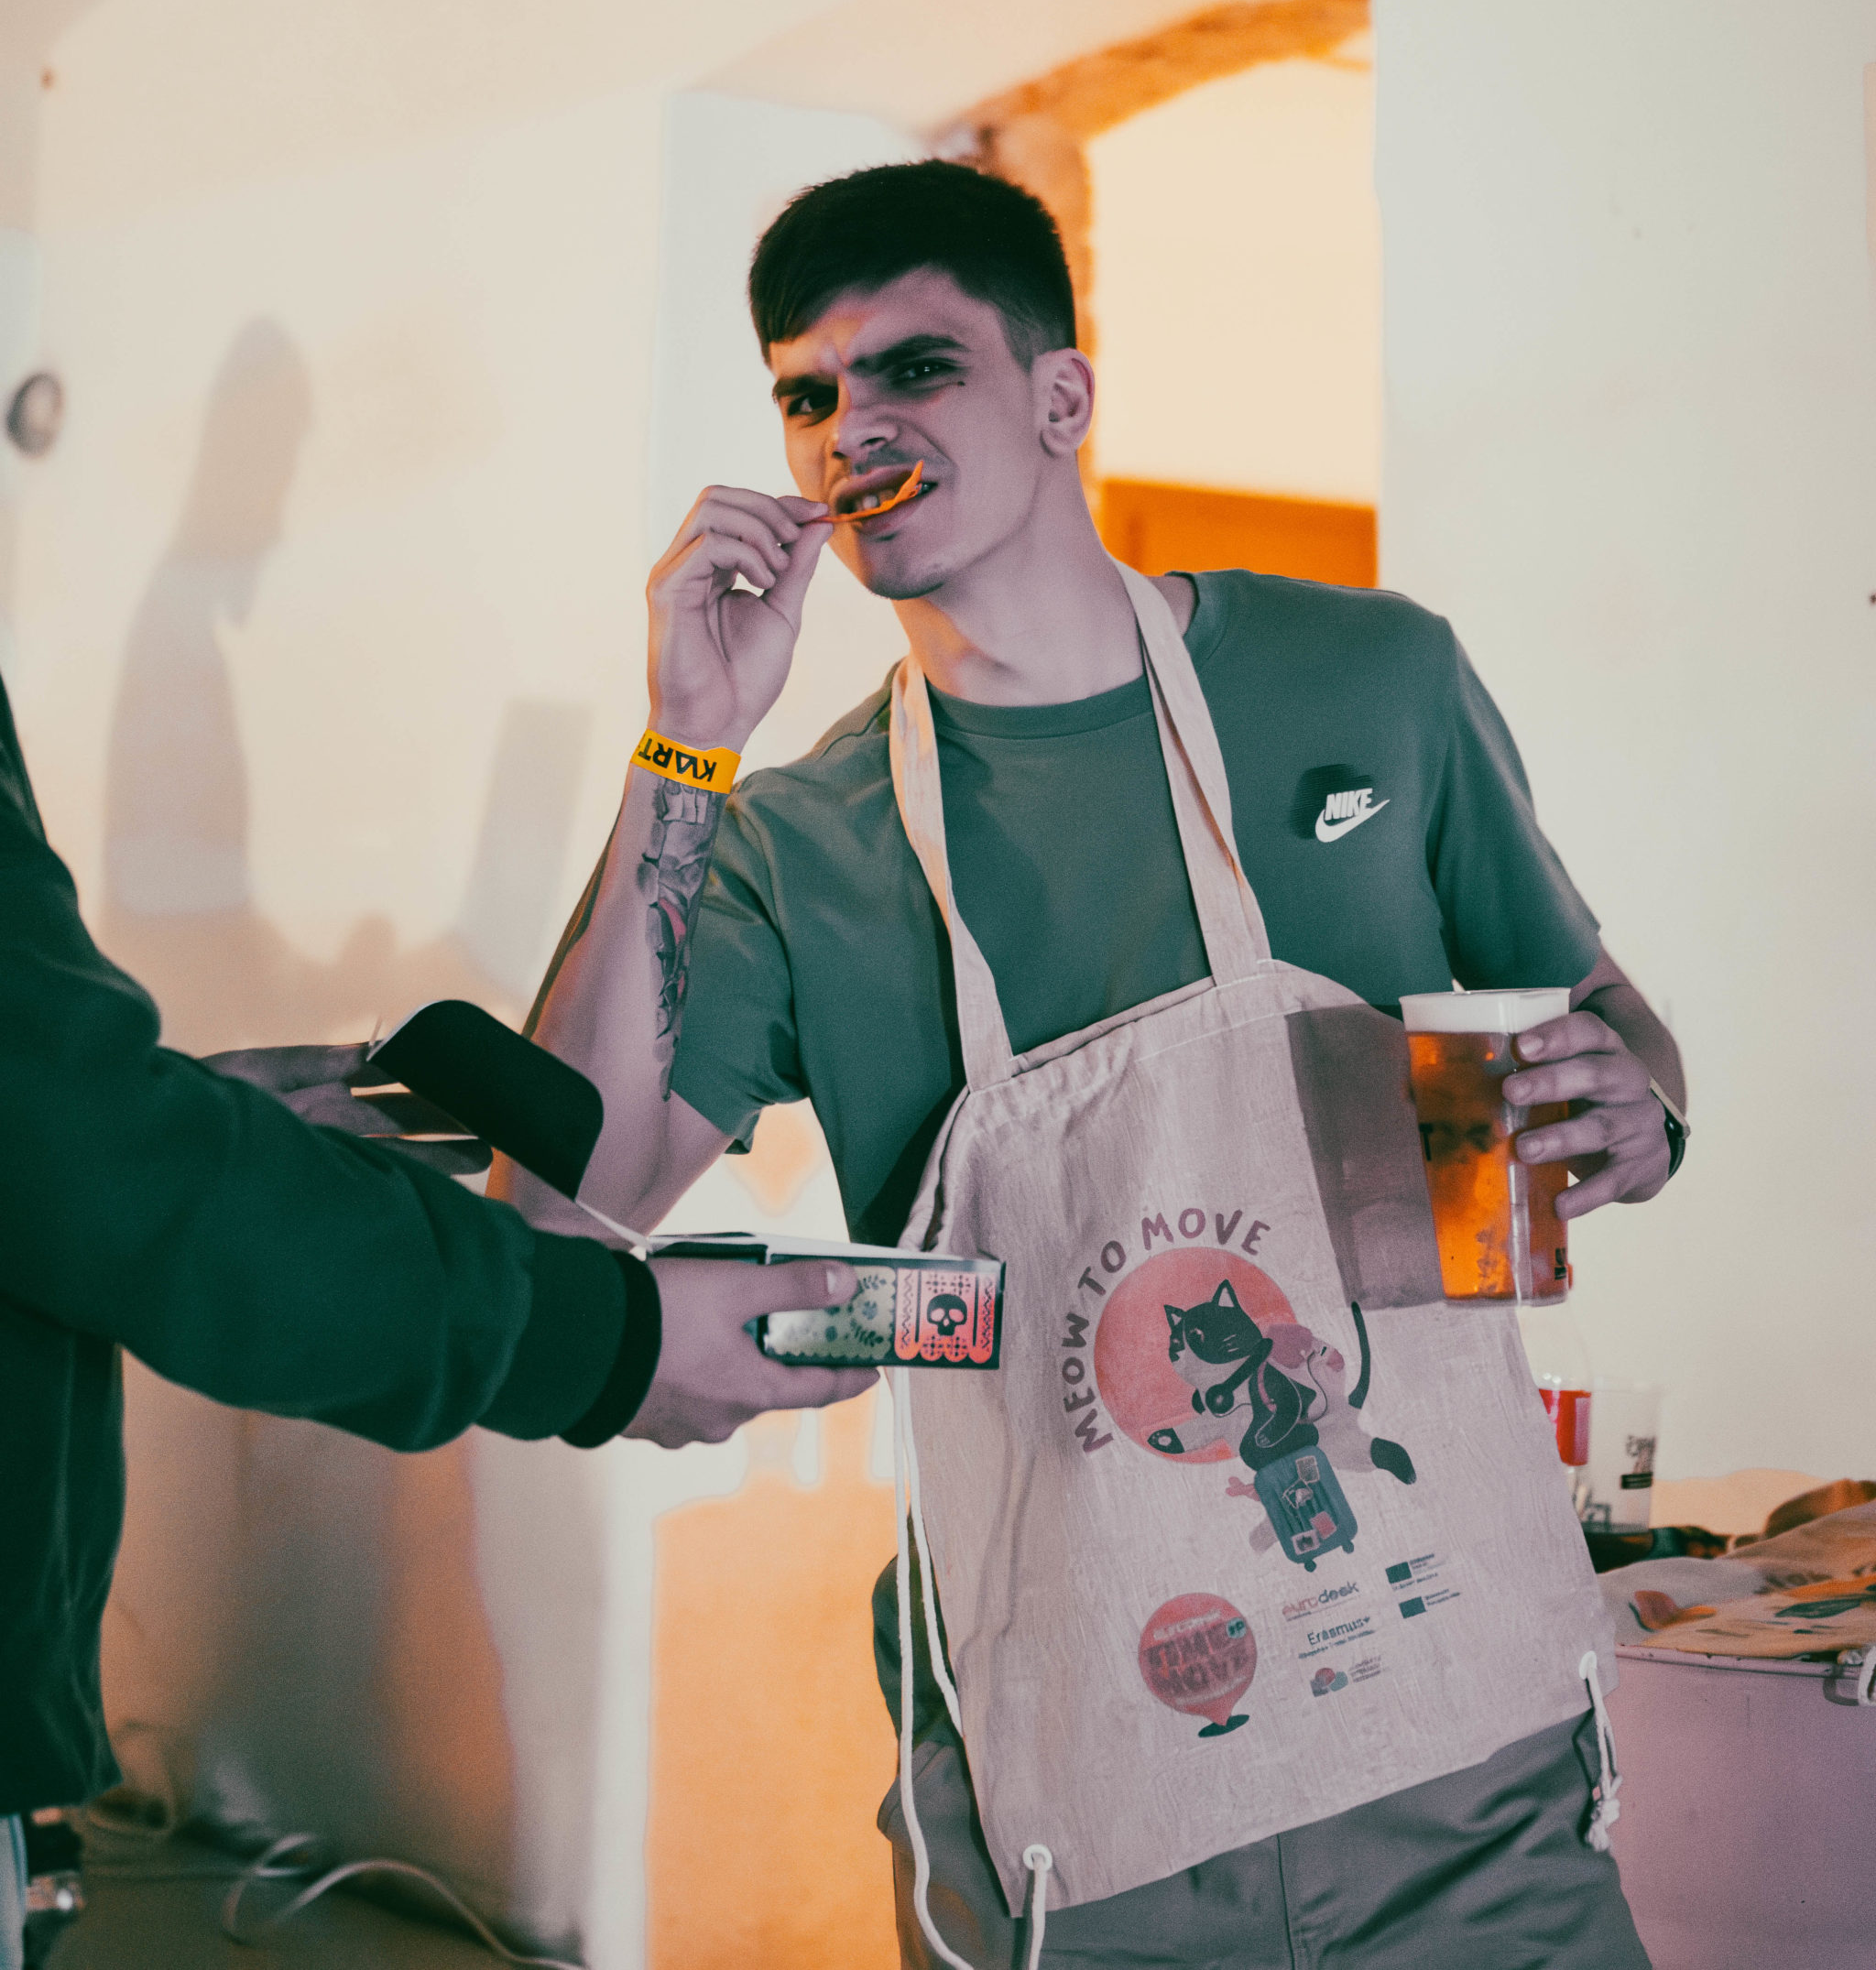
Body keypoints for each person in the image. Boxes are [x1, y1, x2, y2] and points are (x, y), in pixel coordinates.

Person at [510, 160, 1687, 1965]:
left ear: (1061, 396)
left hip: (1460, 1731)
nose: (851, 427)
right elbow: (565, 1199)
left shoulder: (1370, 676)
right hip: (1074, 1762)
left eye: (915, 368)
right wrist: (686, 742)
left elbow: (1600, 1015)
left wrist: (1640, 1107)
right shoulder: (794, 840)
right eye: (807, 395)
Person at [0, 671, 869, 1970]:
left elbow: (53, 1132)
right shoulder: (815, 828)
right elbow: (580, 1201)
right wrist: (600, 1343)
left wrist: (159, 1110)